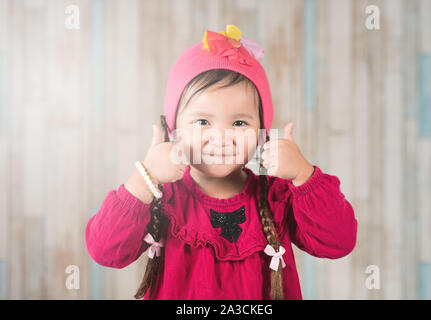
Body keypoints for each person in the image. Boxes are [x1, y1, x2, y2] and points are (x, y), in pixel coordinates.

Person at [85, 24, 358, 300]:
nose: (222, 137)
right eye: (203, 121)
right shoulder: (162, 196)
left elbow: (338, 242)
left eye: (239, 122)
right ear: (173, 128)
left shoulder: (279, 196)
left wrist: (303, 175)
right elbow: (105, 251)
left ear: (262, 133)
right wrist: (146, 177)